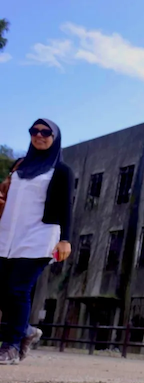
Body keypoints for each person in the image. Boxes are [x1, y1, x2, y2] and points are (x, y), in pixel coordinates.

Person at [0, 119, 74, 364]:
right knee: (4, 290)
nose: (39, 135)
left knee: (18, 289)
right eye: (34, 131)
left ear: (55, 137)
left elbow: (66, 207)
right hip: (7, 235)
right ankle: (26, 330)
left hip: (39, 237)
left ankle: (10, 346)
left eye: (45, 132)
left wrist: (66, 240)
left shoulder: (61, 170)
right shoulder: (19, 166)